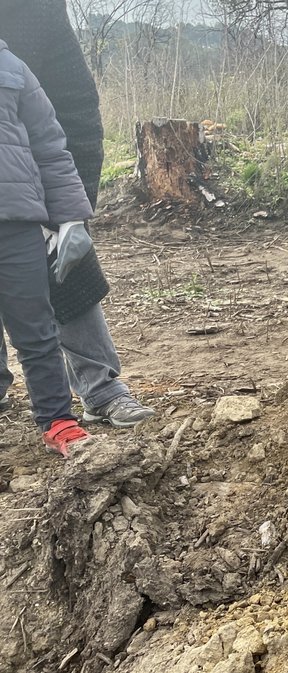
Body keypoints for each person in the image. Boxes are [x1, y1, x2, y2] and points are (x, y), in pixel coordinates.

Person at [0, 0, 155, 428]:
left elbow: (75, 111)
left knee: (67, 269)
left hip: (28, 185)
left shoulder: (35, 10)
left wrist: (71, 213)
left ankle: (100, 387)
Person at [0, 39, 96, 457]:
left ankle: (59, 420)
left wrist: (71, 215)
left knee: (36, 328)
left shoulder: (12, 67)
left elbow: (50, 147)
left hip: (15, 223)